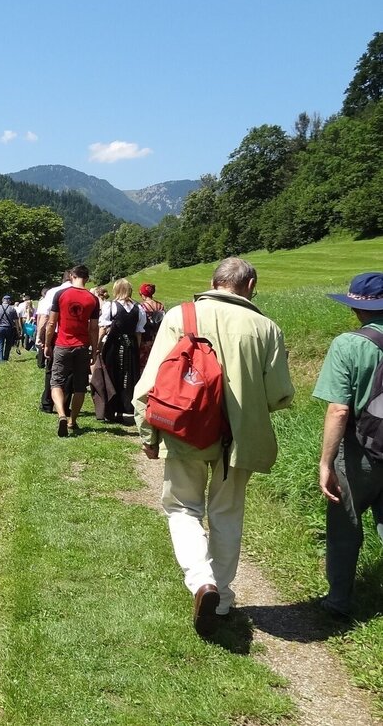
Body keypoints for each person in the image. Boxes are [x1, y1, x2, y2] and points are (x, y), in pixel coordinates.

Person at [133, 258, 295, 637]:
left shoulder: (180, 316)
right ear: (250, 285)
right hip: (240, 438)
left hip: (186, 432)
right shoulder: (267, 328)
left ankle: (200, 580)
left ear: (213, 282)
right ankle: (220, 598)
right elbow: (279, 395)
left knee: (182, 508)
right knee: (227, 513)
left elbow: (151, 384)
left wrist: (148, 435)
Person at [313, 272, 383, 619]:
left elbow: (339, 408)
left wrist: (326, 463)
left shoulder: (349, 344)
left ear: (356, 308)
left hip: (360, 451)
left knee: (345, 525)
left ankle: (338, 601)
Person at [44, 265, 99, 437]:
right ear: (87, 279)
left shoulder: (61, 295)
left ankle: (61, 414)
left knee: (56, 383)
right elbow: (94, 328)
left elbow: (52, 323)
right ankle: (72, 421)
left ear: (71, 276)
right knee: (80, 386)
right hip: (82, 346)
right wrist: (95, 350)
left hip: (62, 344)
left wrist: (47, 344)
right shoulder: (93, 299)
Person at [95, 278, 145, 423]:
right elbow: (138, 332)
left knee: (111, 375)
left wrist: (97, 347)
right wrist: (136, 348)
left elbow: (103, 329)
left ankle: (112, 408)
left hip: (113, 346)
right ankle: (123, 408)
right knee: (128, 377)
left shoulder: (111, 306)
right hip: (131, 347)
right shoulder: (138, 308)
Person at [36, 274, 73, 411]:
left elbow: (45, 317)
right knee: (70, 371)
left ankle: (47, 402)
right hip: (74, 334)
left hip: (55, 333)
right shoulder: (82, 293)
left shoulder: (52, 292)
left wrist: (40, 337)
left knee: (51, 369)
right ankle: (64, 404)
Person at [138, 283, 165, 371]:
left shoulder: (142, 307)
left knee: (143, 363)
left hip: (145, 338)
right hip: (158, 337)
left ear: (143, 294)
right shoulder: (160, 305)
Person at [0, 295, 20, 362]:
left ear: (2, 300)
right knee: (8, 344)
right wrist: (18, 331)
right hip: (9, 328)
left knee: (0, 344)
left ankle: (0, 360)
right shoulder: (12, 309)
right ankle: (6, 358)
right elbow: (16, 321)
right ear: (9, 301)